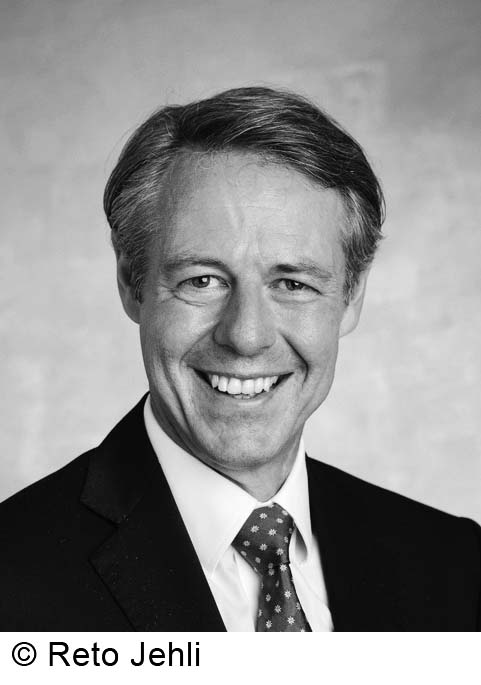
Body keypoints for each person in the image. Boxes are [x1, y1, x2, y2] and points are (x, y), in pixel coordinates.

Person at [1, 87, 479, 632]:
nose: (247, 336)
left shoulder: (455, 566)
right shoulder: (14, 580)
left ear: (351, 298)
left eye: (293, 284)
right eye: (202, 280)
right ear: (132, 284)